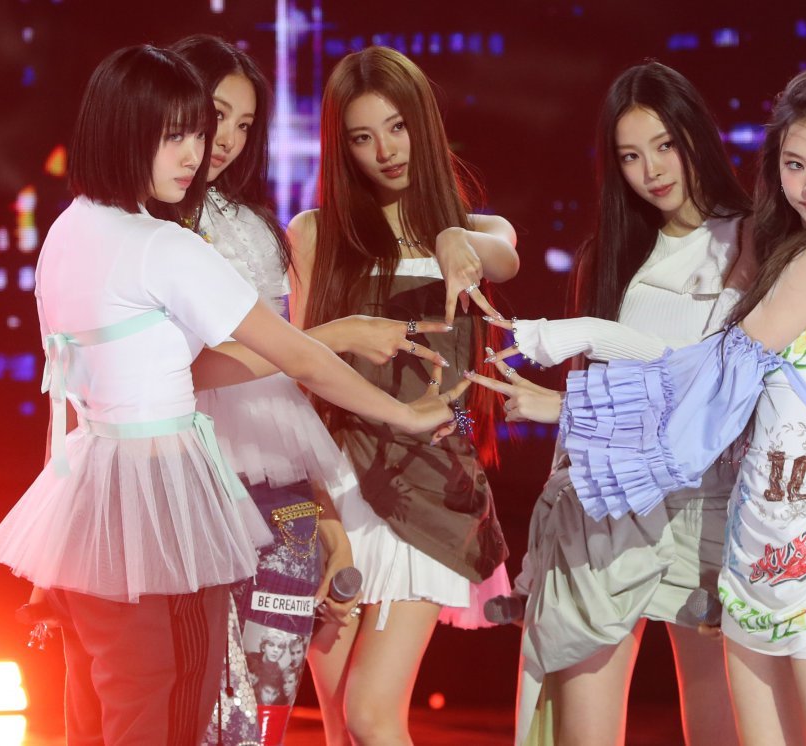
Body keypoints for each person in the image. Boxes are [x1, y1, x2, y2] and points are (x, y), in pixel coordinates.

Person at [0, 44, 462, 746]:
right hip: (167, 500)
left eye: (212, 131)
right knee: (177, 706)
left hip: (100, 501)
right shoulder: (162, 244)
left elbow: (88, 385)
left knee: (109, 716)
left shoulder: (68, 231)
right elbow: (293, 354)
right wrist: (402, 411)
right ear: (127, 128)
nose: (201, 150)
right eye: (180, 132)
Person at [520, 67, 806, 746]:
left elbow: (711, 377)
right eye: (795, 165)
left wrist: (570, 397)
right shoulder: (791, 252)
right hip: (752, 540)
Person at [171, 34, 455, 746]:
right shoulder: (151, 231)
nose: (227, 140)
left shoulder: (256, 230)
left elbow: (287, 383)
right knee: (191, 706)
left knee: (266, 710)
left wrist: (321, 505)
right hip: (189, 485)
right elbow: (192, 370)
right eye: (216, 116)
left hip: (289, 491)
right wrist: (340, 336)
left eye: (244, 125)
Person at [464, 61, 749, 746]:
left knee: (717, 731)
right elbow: (599, 394)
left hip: (704, 511)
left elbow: (706, 385)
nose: (652, 170)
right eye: (630, 155)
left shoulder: (749, 241)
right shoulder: (616, 253)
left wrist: (572, 394)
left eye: (665, 145)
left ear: (696, 136)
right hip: (606, 512)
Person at [289, 45, 519, 745]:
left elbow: (502, 254)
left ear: (424, 122)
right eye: (363, 137)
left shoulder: (477, 232)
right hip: (332, 490)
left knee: (371, 714)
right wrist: (316, 510)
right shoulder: (314, 234)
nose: (386, 151)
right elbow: (294, 370)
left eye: (397, 127)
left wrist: (454, 239)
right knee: (339, 725)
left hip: (427, 488)